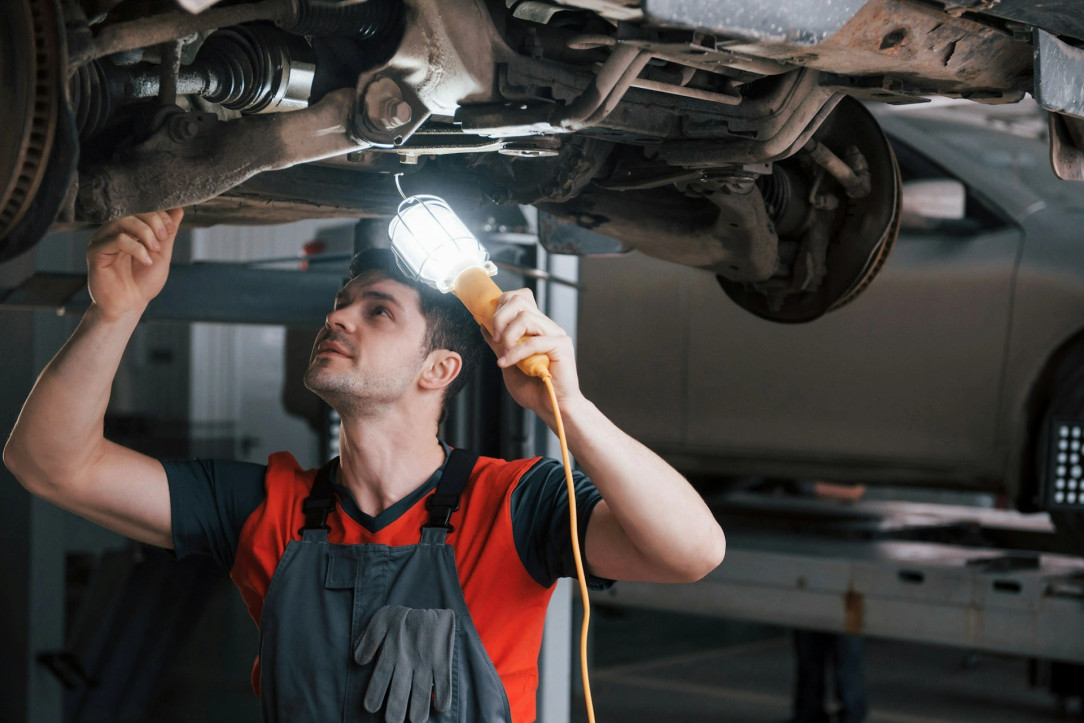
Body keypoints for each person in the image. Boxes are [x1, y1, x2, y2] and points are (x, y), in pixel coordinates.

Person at [3, 210, 726, 723]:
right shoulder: (266, 508)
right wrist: (115, 311)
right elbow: (49, 463)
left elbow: (694, 550)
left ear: (439, 367)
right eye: (342, 303)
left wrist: (568, 406)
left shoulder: (511, 505)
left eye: (377, 311)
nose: (338, 318)